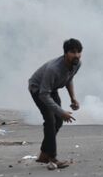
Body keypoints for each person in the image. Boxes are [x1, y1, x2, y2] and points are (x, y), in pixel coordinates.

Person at [28, 39, 83, 170]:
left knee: (58, 122)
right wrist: (61, 112)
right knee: (50, 120)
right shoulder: (53, 69)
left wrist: (73, 98)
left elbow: (69, 79)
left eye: (79, 52)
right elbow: (43, 95)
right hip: (38, 89)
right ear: (65, 53)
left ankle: (43, 154)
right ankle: (52, 158)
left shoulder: (77, 64)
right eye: (73, 52)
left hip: (51, 89)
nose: (76, 55)